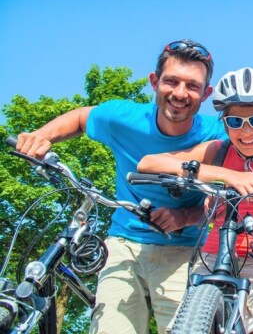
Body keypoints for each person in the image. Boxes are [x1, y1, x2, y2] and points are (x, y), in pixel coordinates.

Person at [15, 39, 226, 334]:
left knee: (189, 328)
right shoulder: (123, 118)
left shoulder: (218, 134)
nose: (180, 93)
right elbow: (80, 117)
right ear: (154, 82)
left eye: (192, 86)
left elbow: (223, 200)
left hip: (184, 250)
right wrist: (41, 136)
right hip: (123, 245)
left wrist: (185, 217)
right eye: (171, 81)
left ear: (206, 93)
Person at [137, 67, 253, 334]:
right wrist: (227, 175)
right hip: (211, 257)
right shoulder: (217, 150)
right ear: (224, 122)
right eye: (235, 122)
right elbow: (149, 163)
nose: (246, 131)